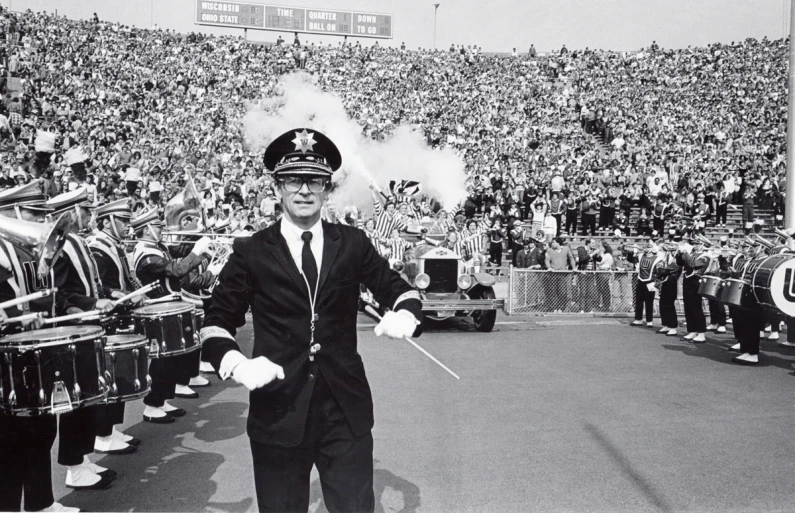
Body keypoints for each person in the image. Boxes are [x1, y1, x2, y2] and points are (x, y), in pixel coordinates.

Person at [201, 128, 423, 513]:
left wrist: (407, 313)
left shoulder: (352, 243)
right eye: (292, 180)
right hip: (278, 409)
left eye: (315, 181)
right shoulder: (251, 251)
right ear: (277, 189)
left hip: (344, 410)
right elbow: (216, 321)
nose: (304, 190)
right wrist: (236, 363)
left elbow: (397, 288)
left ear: (327, 189)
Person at [131, 208, 214, 423]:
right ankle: (152, 405)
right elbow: (176, 269)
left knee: (173, 357)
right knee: (163, 359)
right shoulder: (147, 255)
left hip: (169, 307)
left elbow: (178, 250)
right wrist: (197, 251)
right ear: (147, 230)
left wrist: (197, 234)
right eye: (158, 226)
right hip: (158, 309)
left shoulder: (156, 247)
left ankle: (162, 400)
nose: (162, 229)